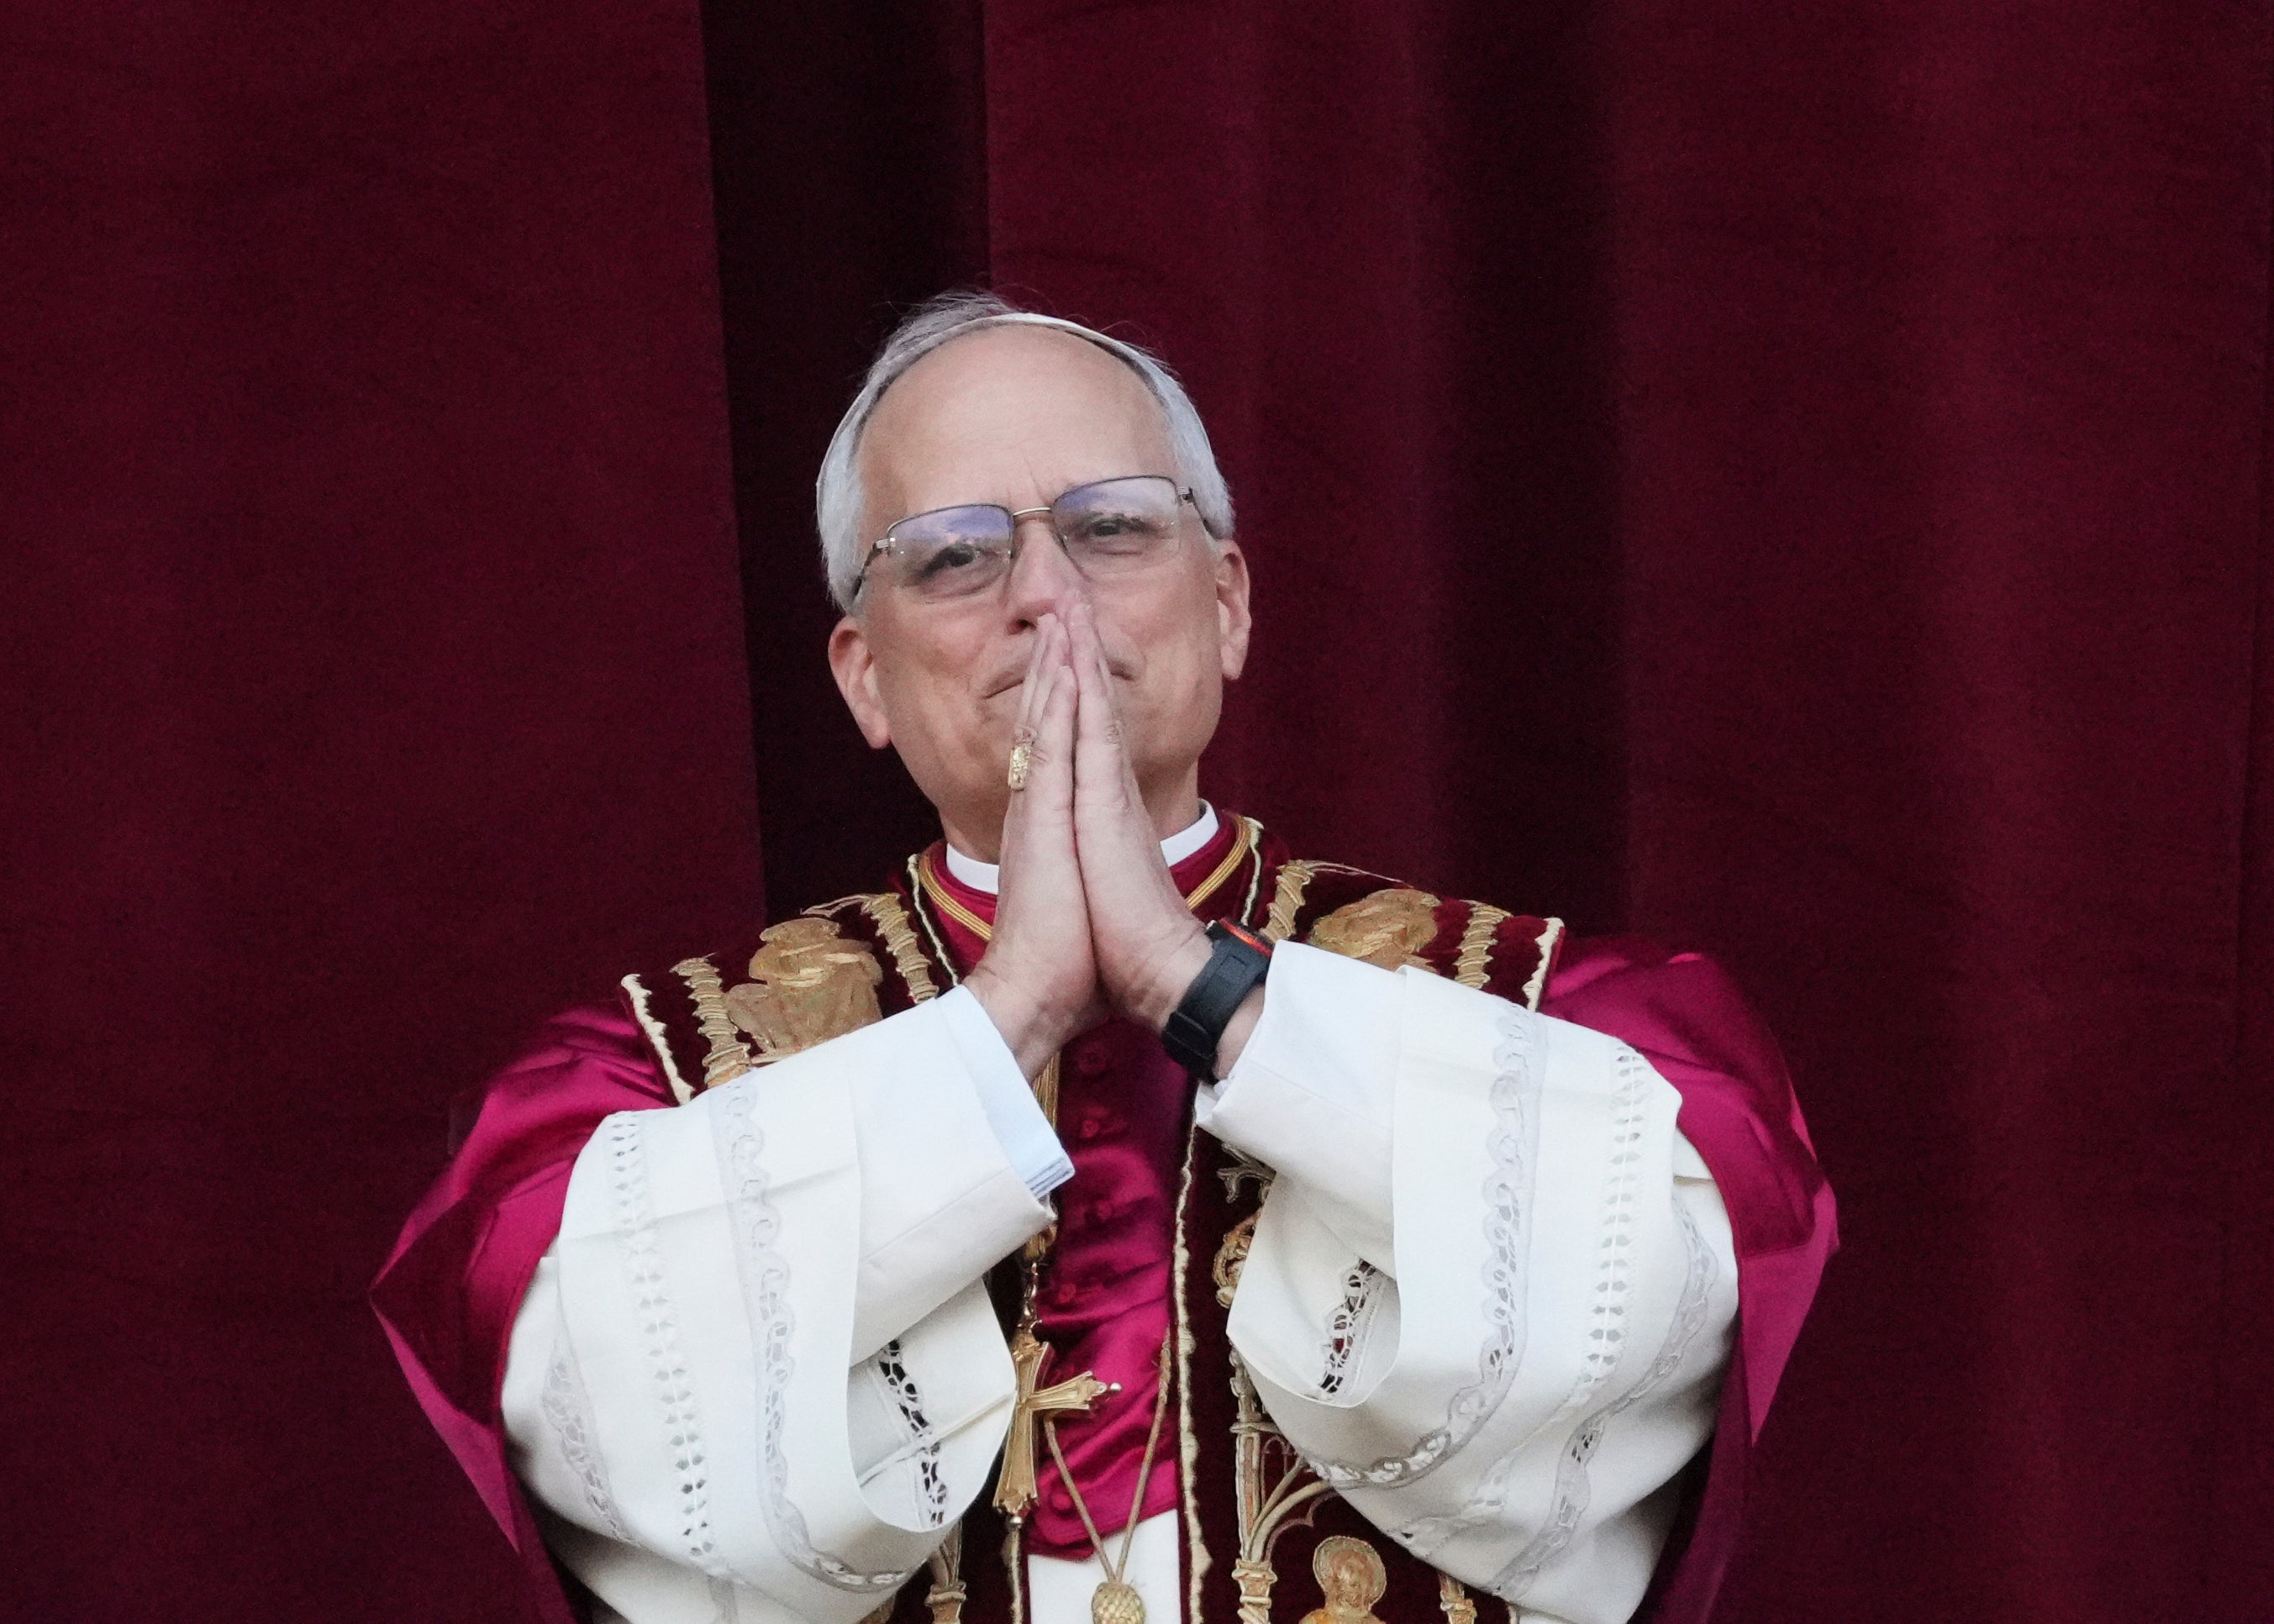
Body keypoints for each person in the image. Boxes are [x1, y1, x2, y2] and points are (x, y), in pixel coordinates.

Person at [372, 293, 1835, 1624]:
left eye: (1115, 527)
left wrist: (1212, 995)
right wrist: (1000, 1023)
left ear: (1232, 602)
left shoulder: (1537, 1004)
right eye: (955, 554)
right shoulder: (649, 1079)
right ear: (865, 678)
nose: (1046, 596)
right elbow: (573, 1382)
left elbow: (1688, 1261)